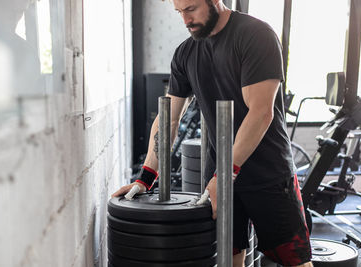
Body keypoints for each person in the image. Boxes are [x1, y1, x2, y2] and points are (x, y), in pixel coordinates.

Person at [113, 0, 313, 266]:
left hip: (269, 174)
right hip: (218, 175)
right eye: (179, 12)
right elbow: (169, 118)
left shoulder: (255, 35)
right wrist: (146, 178)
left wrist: (226, 174)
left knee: (294, 261)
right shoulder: (185, 53)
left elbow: (261, 112)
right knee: (228, 258)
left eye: (191, 9)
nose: (185, 20)